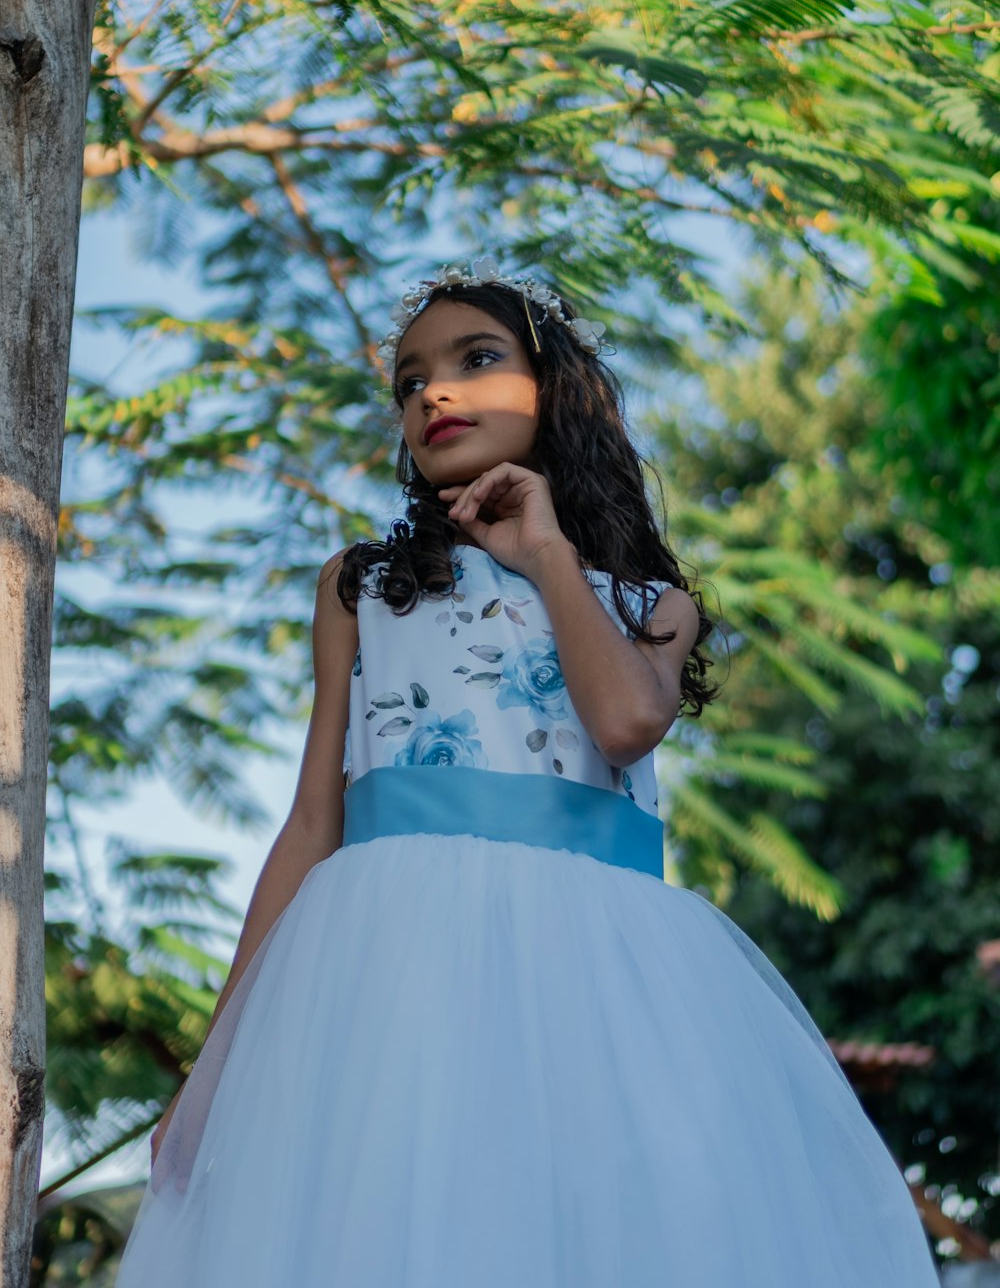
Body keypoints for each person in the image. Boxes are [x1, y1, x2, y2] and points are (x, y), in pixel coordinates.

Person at [114, 260, 940, 1286]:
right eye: (410, 381)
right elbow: (311, 824)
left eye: (476, 359)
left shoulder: (648, 604)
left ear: (555, 392)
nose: (434, 393)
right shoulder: (362, 586)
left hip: (599, 979)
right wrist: (213, 1069)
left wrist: (546, 554)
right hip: (390, 968)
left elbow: (629, 723)